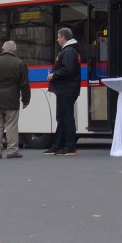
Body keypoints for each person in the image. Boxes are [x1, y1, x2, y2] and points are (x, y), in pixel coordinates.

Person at [0, 40, 30, 158]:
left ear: (3, 49)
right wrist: (26, 100)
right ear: (14, 50)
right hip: (12, 99)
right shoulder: (20, 63)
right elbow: (24, 84)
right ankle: (12, 150)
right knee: (11, 125)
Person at [44, 27, 81, 156]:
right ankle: (58, 145)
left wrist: (53, 75)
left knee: (66, 118)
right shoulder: (69, 51)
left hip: (66, 89)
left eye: (58, 37)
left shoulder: (69, 51)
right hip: (66, 89)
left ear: (64, 38)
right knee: (62, 117)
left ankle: (70, 146)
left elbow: (68, 70)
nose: (57, 39)